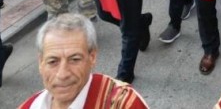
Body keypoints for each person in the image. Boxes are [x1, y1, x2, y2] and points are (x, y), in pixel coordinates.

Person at [19, 14, 150, 109]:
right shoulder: (28, 106)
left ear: (92, 57)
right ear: (41, 63)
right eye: (53, 61)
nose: (63, 74)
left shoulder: (122, 104)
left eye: (74, 59)